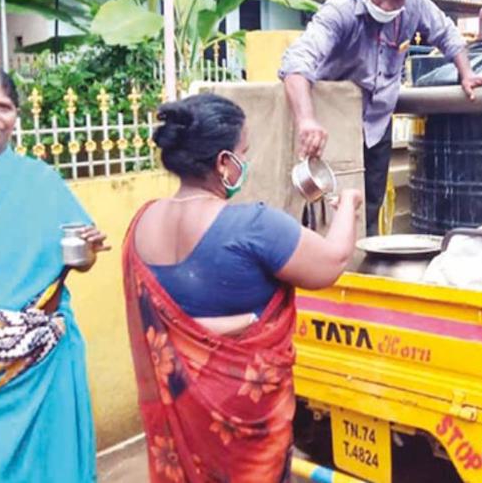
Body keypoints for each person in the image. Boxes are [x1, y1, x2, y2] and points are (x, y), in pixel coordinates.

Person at [122, 93, 361, 483]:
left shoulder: (141, 223)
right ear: (223, 162)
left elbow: (179, 324)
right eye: (243, 153)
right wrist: (348, 205)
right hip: (245, 439)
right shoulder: (255, 226)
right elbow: (331, 263)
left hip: (180, 426)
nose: (246, 163)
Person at [280, 0, 482, 235]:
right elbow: (297, 60)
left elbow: (447, 34)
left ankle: (360, 270)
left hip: (377, 125)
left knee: (369, 205)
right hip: (332, 123)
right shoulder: (341, 8)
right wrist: (306, 119)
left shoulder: (415, 4)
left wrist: (467, 72)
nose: (386, 5)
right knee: (325, 206)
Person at [0, 65, 109, 482]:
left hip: (41, 358)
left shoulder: (41, 181)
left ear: (16, 116)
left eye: (3, 106)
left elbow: (78, 263)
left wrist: (88, 249)